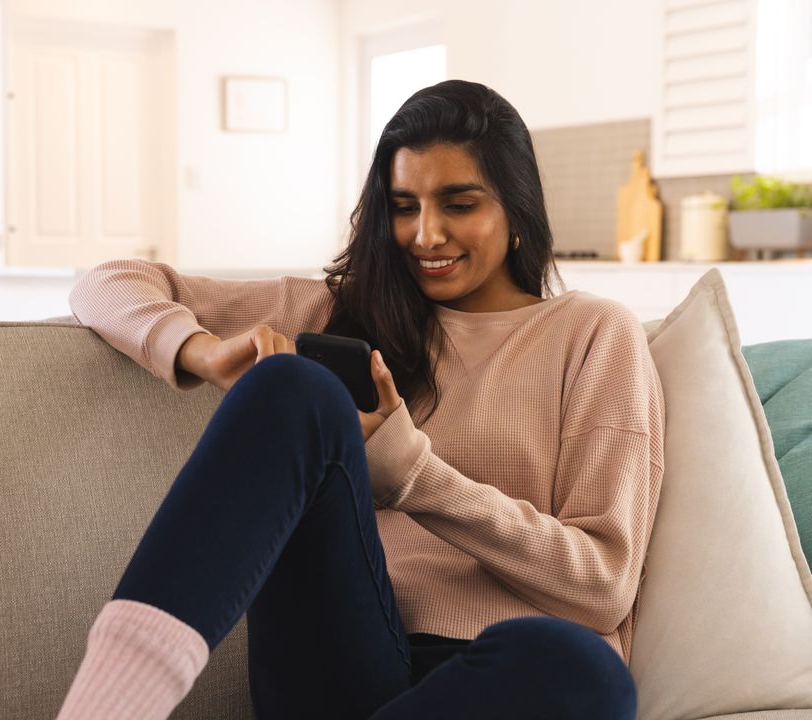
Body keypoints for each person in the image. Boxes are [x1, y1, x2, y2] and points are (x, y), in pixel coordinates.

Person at [56, 79, 664, 719]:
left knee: (582, 668)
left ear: (517, 208)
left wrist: (413, 476)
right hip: (346, 656)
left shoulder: (594, 334)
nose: (426, 235)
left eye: (458, 204)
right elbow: (106, 284)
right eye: (404, 207)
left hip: (503, 684)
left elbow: (603, 587)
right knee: (293, 385)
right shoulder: (341, 311)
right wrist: (201, 352)